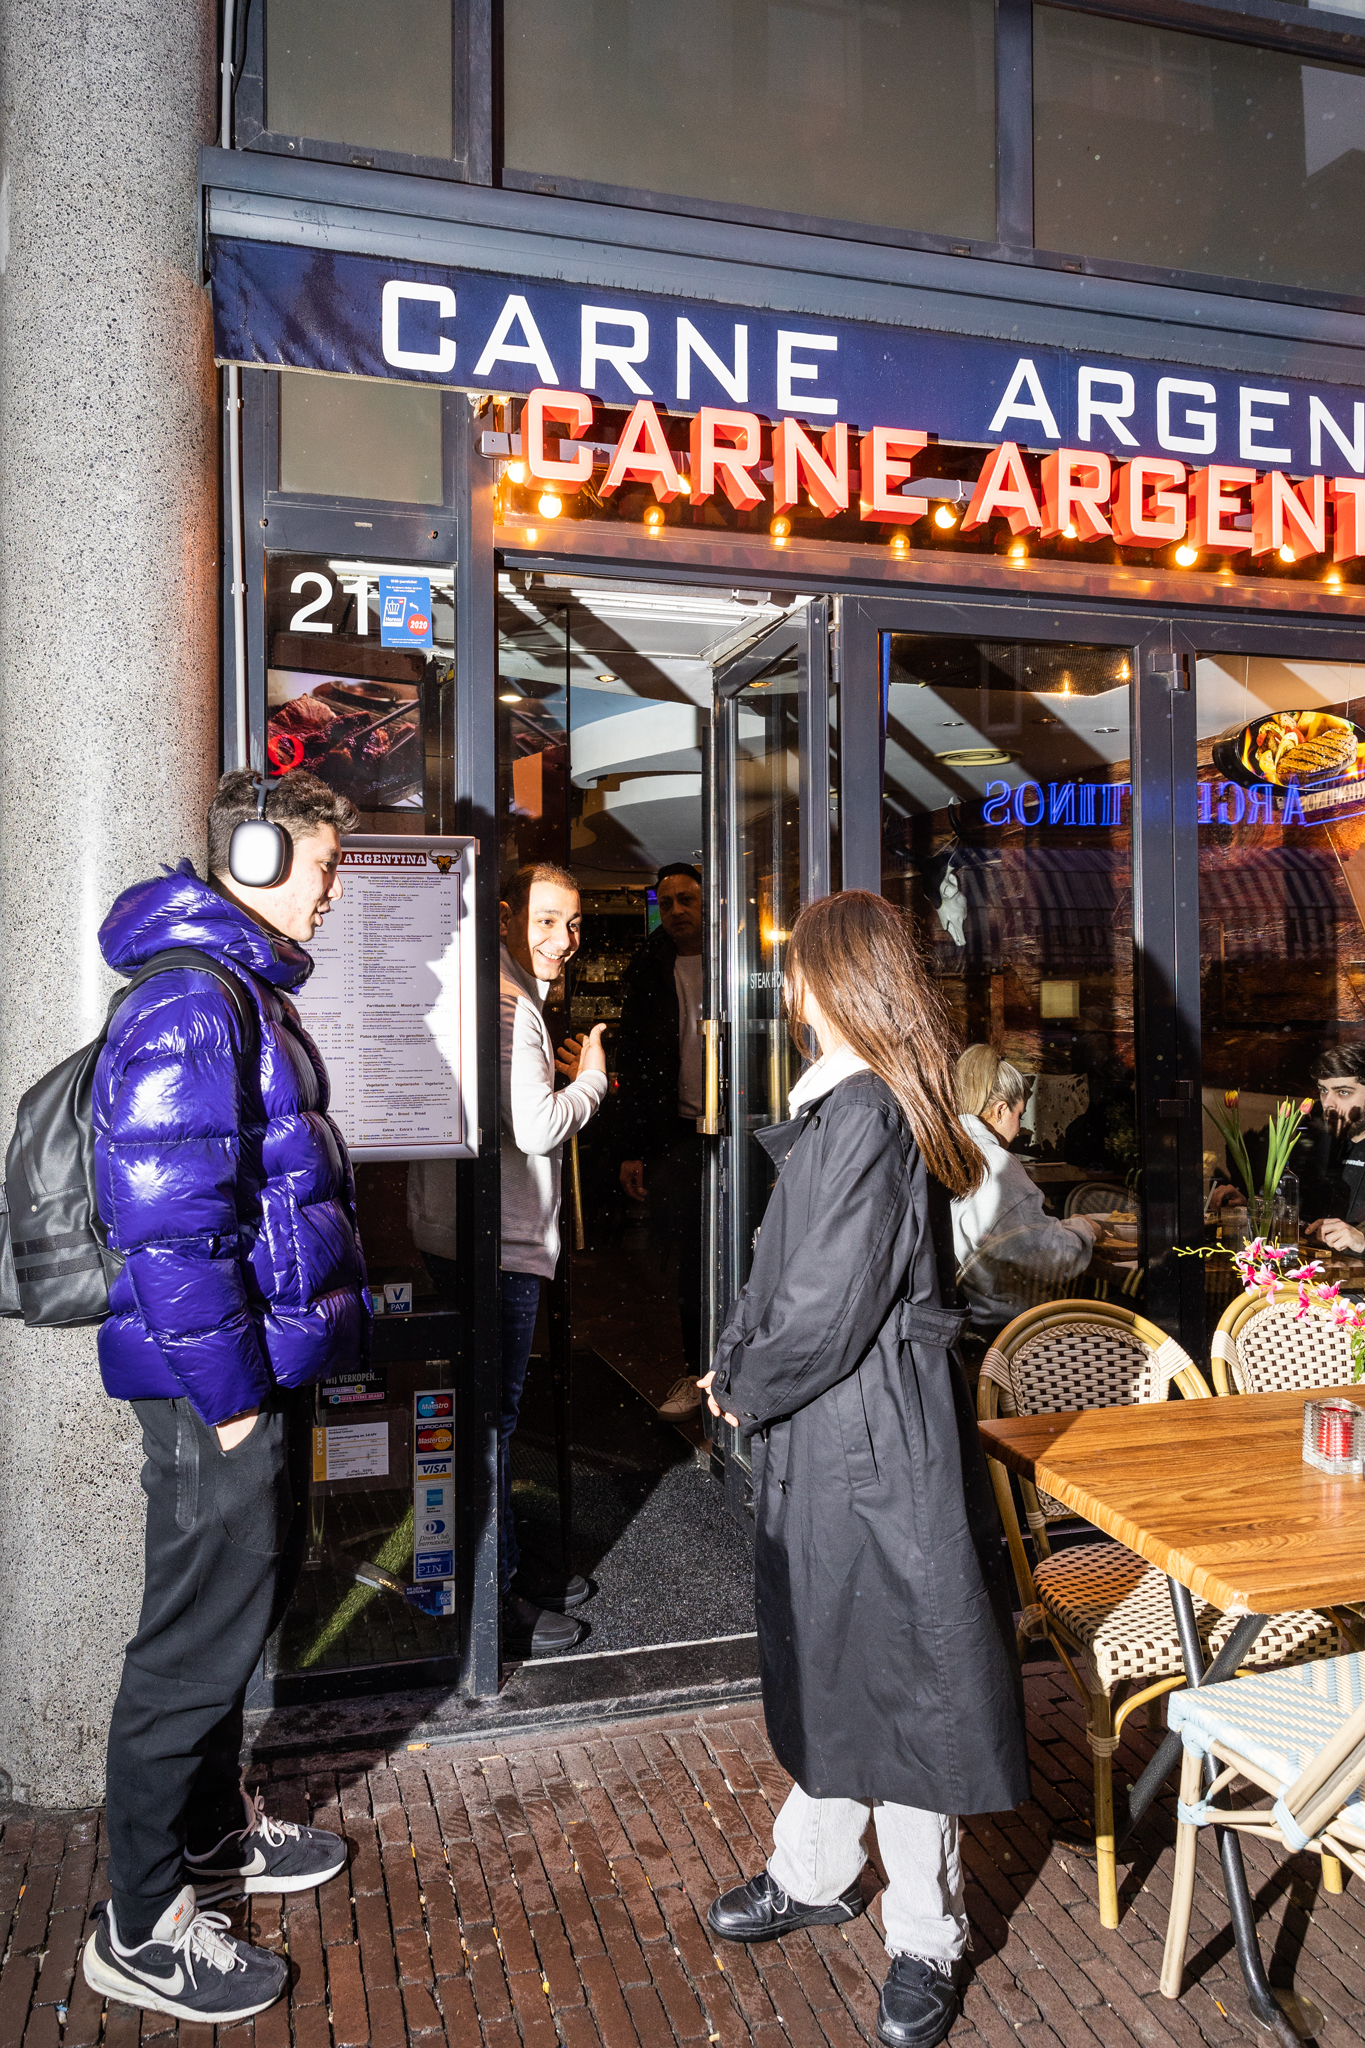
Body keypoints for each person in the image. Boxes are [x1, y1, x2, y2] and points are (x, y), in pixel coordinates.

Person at [699, 893, 1028, 2048]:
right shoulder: (865, 1105)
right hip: (853, 1438)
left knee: (905, 1686)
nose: (786, 992)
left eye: (799, 972)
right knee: (850, 1663)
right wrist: (750, 1361)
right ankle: (820, 1867)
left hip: (870, 1445)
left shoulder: (865, 1114)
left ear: (838, 986)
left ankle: (927, 1934)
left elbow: (823, 1306)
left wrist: (741, 1377)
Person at [82, 769, 371, 2026]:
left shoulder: (230, 990)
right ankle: (141, 1922)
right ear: (252, 857)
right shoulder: (197, 1004)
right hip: (218, 1388)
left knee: (226, 1626)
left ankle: (208, 1840)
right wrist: (235, 1401)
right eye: (318, 862)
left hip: (240, 1374)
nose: (331, 886)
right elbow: (164, 1224)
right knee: (191, 1648)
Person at [496, 863, 608, 1654]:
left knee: (493, 1425)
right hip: (500, 1247)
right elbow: (536, 1128)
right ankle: (497, 1607)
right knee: (495, 1427)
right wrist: (593, 1083)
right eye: (545, 921)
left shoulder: (503, 993)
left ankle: (504, 1573)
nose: (562, 941)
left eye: (571, 925)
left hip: (480, 1239)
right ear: (507, 916)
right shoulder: (513, 1006)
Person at [615, 863, 707, 1420]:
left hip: (740, 1128)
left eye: (686, 899)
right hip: (678, 1132)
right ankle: (698, 1371)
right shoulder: (651, 965)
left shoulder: (741, 963)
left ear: (708, 903)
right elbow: (638, 1061)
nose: (675, 910)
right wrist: (633, 1148)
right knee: (692, 1257)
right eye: (666, 901)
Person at [951, 1044, 1102, 1334]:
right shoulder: (994, 1164)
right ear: (999, 1110)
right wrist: (1084, 1230)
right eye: (1019, 1115)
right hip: (1005, 1328)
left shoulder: (947, 1150)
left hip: (965, 1319)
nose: (1019, 1127)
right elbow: (1050, 1259)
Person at [1303, 1045, 1365, 1255]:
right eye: (1323, 1090)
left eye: (1343, 1092)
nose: (1328, 1103)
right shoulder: (1325, 1143)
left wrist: (1362, 1240)